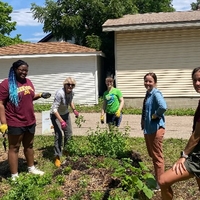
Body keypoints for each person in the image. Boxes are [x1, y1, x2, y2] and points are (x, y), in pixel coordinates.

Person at [0, 59, 51, 180]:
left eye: (26, 70)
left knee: (29, 146)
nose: (24, 72)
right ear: (14, 70)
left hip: (30, 120)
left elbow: (29, 97)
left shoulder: (28, 82)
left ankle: (31, 168)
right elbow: (0, 103)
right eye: (21, 70)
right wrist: (3, 123)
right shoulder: (6, 84)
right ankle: (14, 175)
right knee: (14, 148)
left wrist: (40, 95)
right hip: (15, 121)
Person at [159, 67, 200, 200]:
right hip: (196, 154)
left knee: (163, 180)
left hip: (196, 157)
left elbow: (197, 135)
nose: (197, 83)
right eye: (195, 80)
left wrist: (184, 155)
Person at [141, 72, 167, 190]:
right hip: (149, 129)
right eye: (146, 81)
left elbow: (163, 106)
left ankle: (160, 183)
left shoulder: (156, 93)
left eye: (150, 81)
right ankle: (158, 177)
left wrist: (156, 115)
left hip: (156, 129)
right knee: (152, 154)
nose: (147, 83)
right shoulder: (148, 94)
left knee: (157, 157)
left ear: (155, 82)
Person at [50, 77, 79, 167]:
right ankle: (57, 156)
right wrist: (61, 121)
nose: (70, 86)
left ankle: (66, 150)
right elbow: (54, 109)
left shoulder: (72, 92)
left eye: (72, 85)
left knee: (69, 133)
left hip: (65, 114)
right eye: (68, 84)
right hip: (55, 115)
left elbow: (70, 101)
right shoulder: (60, 93)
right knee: (58, 134)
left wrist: (74, 110)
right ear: (64, 85)